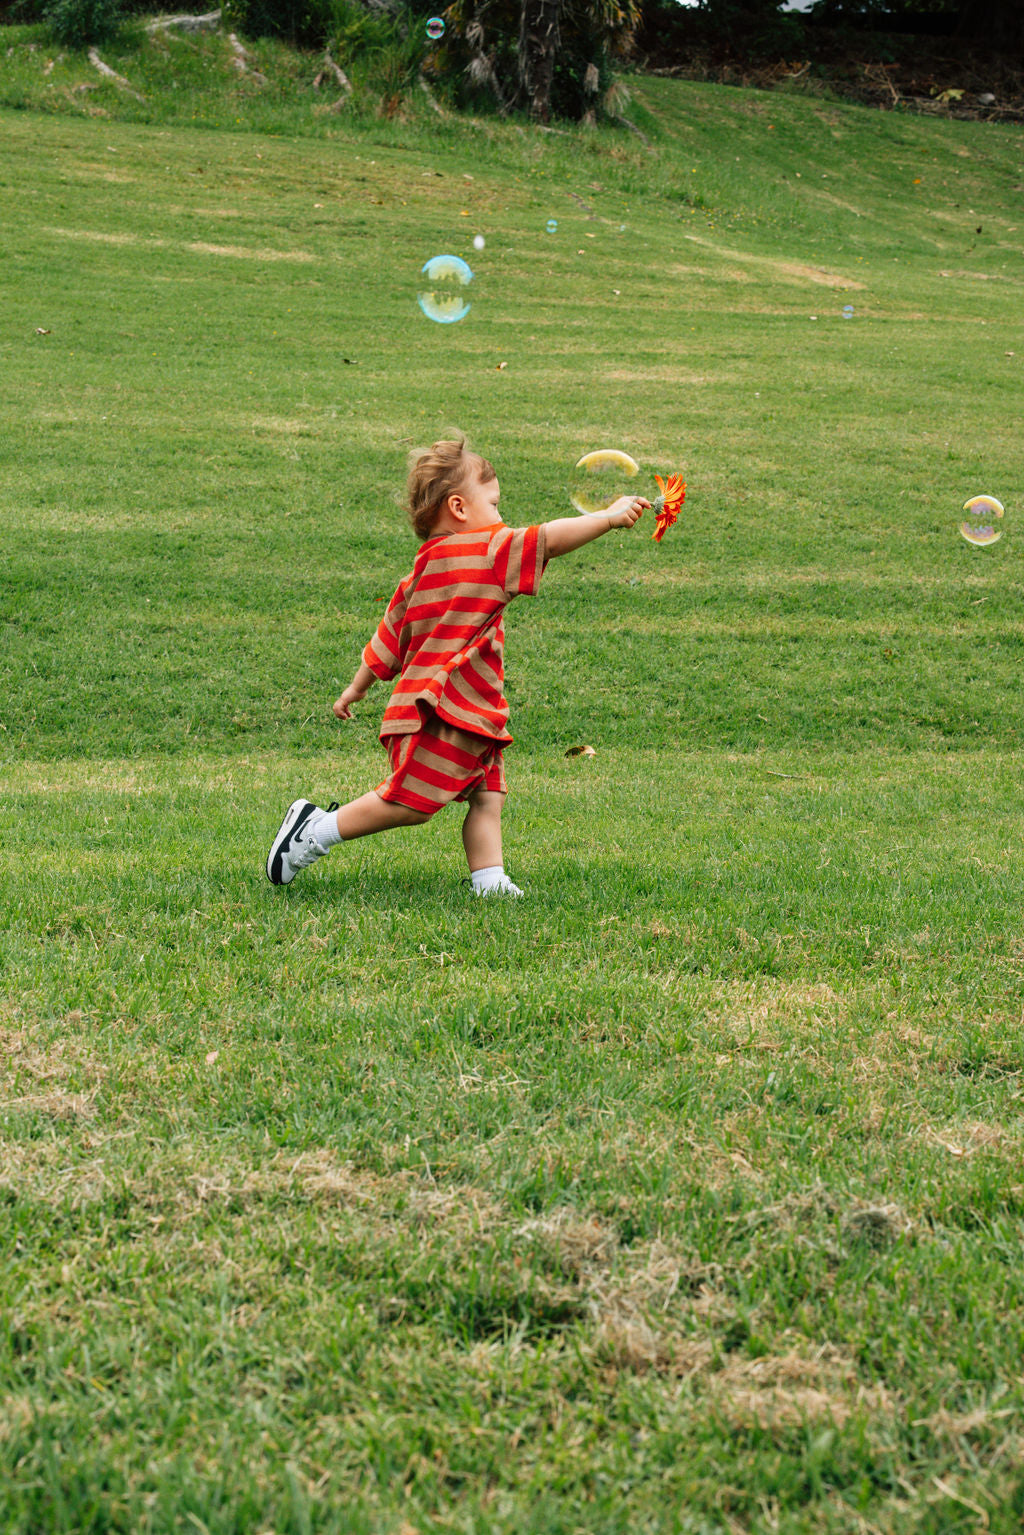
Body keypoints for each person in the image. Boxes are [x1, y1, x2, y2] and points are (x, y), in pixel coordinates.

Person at [266, 437, 648, 895]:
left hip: (468, 707)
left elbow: (388, 637)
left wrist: (357, 687)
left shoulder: (422, 569)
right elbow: (547, 539)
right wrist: (606, 518)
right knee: (411, 804)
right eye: (494, 503)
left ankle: (489, 880)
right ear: (459, 508)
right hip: (446, 708)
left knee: (488, 796)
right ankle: (315, 831)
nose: (501, 517)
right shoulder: (487, 549)